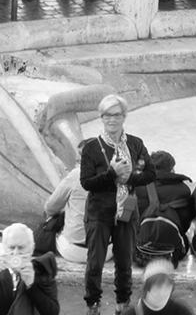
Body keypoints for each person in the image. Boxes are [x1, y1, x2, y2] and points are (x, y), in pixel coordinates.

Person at [81, 94, 155, 315]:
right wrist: (111, 174)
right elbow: (87, 183)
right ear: (101, 118)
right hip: (99, 212)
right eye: (106, 116)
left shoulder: (135, 144)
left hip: (127, 211)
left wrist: (129, 178)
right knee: (95, 263)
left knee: (124, 262)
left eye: (116, 115)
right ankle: (92, 304)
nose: (111, 120)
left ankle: (122, 303)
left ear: (124, 117)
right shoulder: (92, 148)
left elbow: (150, 173)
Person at [0, 222, 58, 315]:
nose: (16, 252)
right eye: (11, 247)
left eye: (21, 247)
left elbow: (52, 312)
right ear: (4, 247)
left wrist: (31, 285)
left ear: (32, 248)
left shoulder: (42, 272)